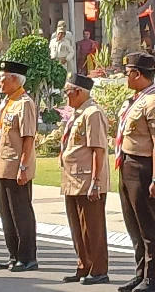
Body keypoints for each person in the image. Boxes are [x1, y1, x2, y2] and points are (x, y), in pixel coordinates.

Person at [60, 73, 110, 285]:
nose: (66, 97)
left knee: (93, 228)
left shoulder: (92, 113)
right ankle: (83, 265)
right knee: (77, 227)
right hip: (72, 178)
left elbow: (98, 150)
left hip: (87, 179)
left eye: (68, 92)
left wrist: (96, 182)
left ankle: (99, 270)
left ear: (79, 92)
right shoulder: (78, 112)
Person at [0, 61, 38, 272]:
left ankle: (27, 257)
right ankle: (13, 254)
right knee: (7, 214)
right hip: (3, 164)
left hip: (16, 166)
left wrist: (24, 166)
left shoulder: (24, 103)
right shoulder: (7, 102)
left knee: (21, 213)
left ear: (14, 79)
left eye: (3, 77)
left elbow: (28, 138)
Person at [116, 53, 155, 292]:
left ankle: (151, 278)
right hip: (127, 164)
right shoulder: (135, 99)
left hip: (143, 167)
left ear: (137, 74)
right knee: (133, 224)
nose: (125, 77)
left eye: (128, 72)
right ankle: (140, 273)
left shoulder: (152, 101)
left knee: (148, 225)